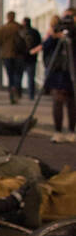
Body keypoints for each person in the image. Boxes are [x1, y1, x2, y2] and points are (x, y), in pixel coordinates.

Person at [42, 14, 76, 143]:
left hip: (70, 73)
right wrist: (53, 37)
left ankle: (72, 131)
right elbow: (46, 48)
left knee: (72, 103)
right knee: (58, 101)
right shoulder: (54, 38)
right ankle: (58, 131)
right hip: (57, 73)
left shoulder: (73, 37)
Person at [0, 10, 26, 104]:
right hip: (18, 54)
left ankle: (11, 95)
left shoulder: (3, 28)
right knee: (17, 75)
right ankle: (17, 93)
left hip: (7, 54)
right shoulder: (19, 27)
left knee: (10, 76)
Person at [21, 17, 42, 100]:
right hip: (32, 57)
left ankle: (19, 94)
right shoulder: (35, 32)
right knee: (31, 77)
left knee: (19, 76)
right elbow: (39, 43)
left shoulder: (21, 32)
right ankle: (31, 95)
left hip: (23, 57)